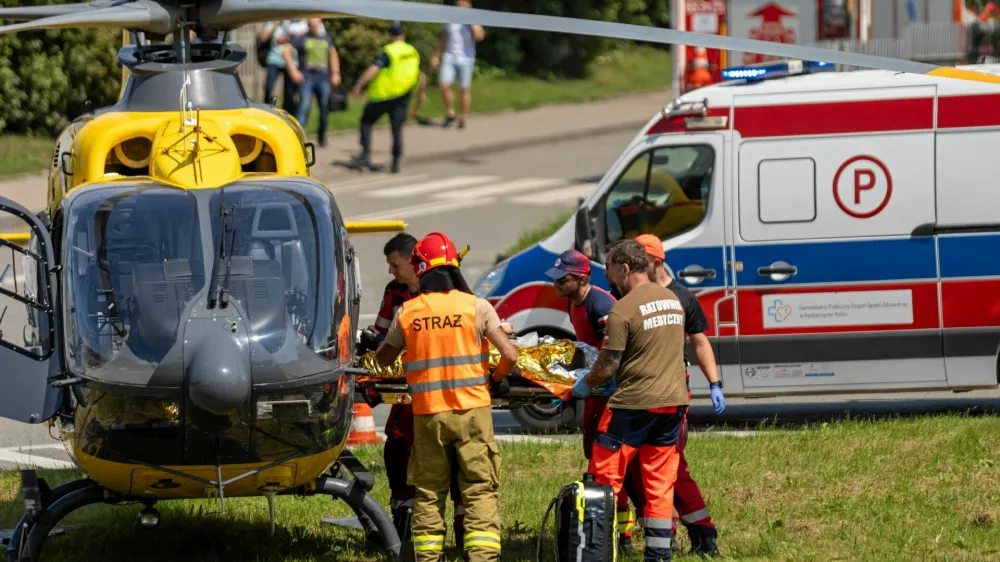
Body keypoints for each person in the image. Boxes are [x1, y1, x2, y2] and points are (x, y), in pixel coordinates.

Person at [376, 231, 518, 562]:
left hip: (429, 416)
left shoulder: (409, 311)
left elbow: (384, 359)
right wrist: (494, 379)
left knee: (428, 492)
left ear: (421, 268)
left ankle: (428, 558)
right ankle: (481, 557)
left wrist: (384, 347)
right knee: (478, 488)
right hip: (473, 413)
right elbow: (508, 354)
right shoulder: (477, 306)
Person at [580, 239, 690, 562]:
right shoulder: (672, 300)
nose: (608, 277)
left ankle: (594, 552)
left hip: (632, 406)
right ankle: (658, 555)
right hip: (672, 406)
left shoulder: (622, 309)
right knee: (658, 484)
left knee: (604, 479)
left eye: (610, 269)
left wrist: (584, 384)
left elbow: (607, 367)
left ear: (625, 269)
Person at [359, 233, 469, 553]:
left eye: (396, 265)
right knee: (397, 445)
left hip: (438, 389)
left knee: (443, 460)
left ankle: (455, 531)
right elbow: (381, 335)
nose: (392, 272)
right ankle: (403, 517)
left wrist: (380, 361)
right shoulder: (395, 293)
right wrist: (369, 347)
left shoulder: (444, 293)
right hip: (414, 385)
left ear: (413, 261)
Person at [632, 234, 724, 556]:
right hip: (641, 392)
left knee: (668, 466)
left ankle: (690, 535)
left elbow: (699, 342)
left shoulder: (681, 297)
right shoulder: (632, 293)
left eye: (640, 260)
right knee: (653, 467)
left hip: (671, 392)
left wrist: (714, 384)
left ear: (655, 262)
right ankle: (680, 534)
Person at [545, 250, 641, 552]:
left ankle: (621, 534)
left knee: (610, 462)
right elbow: (584, 348)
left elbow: (613, 354)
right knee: (593, 454)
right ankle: (611, 525)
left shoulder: (601, 305)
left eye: (564, 279)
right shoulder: (572, 302)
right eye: (556, 279)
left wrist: (591, 384)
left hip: (611, 393)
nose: (557, 284)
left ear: (582, 279)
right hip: (595, 389)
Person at [350, 21, 421, 174]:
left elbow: (375, 68)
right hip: (403, 94)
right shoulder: (412, 51)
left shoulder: (389, 51)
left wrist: (359, 84)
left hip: (384, 95)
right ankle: (396, 161)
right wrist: (421, 92)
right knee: (396, 128)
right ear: (403, 35)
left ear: (391, 36)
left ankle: (366, 154)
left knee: (366, 121)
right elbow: (420, 73)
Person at [285, 18, 341, 147]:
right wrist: (293, 70)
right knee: (304, 107)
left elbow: (333, 54)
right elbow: (286, 51)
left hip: (323, 79)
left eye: (316, 24)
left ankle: (322, 137)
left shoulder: (326, 38)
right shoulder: (302, 38)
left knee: (324, 108)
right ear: (308, 25)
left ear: (320, 24)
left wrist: (335, 73)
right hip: (307, 79)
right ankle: (297, 138)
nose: (314, 26)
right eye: (311, 24)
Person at [429, 0, 484, 129]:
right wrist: (436, 55)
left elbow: (480, 36)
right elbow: (443, 37)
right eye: (458, 5)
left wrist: (469, 22)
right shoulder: (451, 18)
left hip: (466, 59)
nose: (460, 7)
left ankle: (463, 117)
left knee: (464, 89)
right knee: (443, 84)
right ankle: (450, 112)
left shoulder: (475, 19)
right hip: (450, 57)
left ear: (469, 6)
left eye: (463, 5)